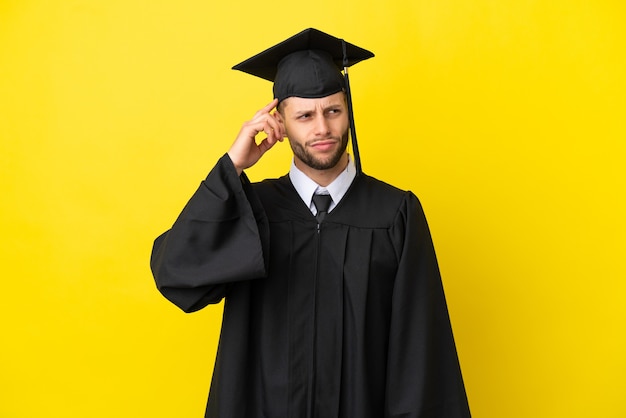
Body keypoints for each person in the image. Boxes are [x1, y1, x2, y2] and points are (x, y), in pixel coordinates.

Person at [151, 28, 471, 418]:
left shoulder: (394, 215)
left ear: (348, 112)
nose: (321, 128)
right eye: (304, 115)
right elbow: (175, 273)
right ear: (279, 123)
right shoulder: (253, 210)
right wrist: (232, 168)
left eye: (333, 111)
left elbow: (421, 357)